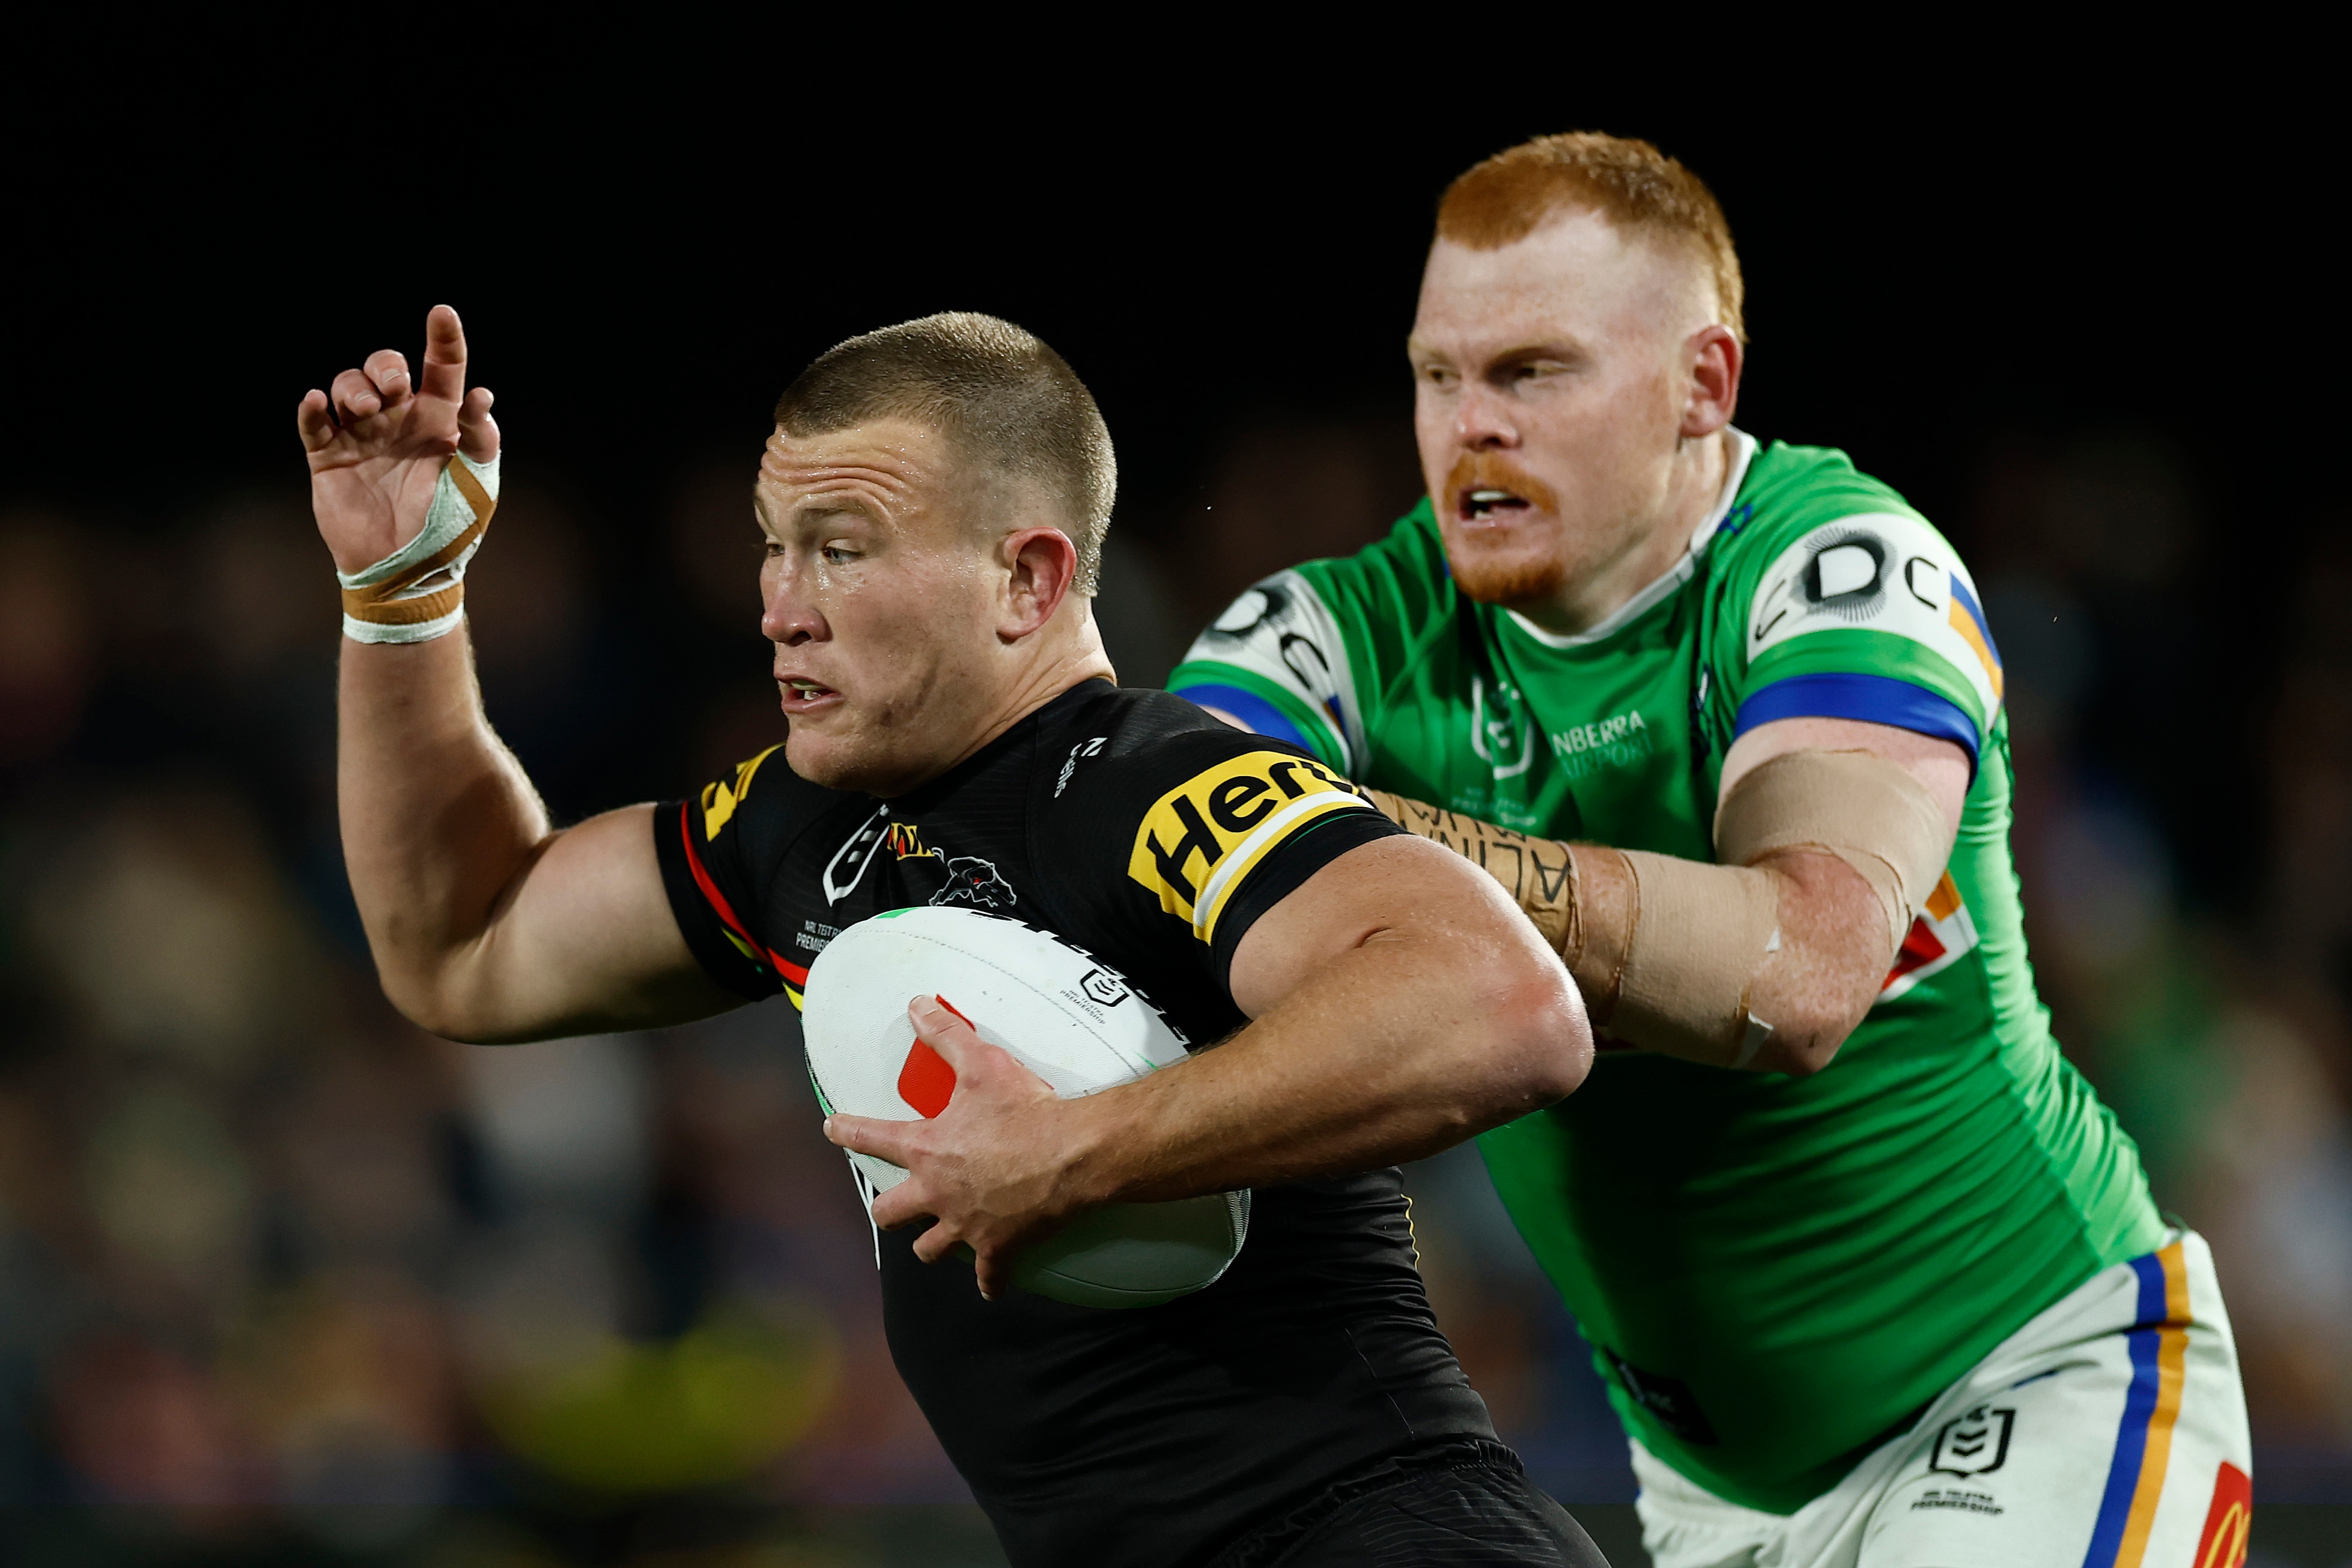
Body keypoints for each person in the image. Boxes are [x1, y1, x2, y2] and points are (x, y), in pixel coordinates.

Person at [297, 305, 1612, 1567]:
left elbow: (1505, 1007)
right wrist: (403, 594)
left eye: (841, 549)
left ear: (1026, 578)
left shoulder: (1155, 785)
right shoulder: (791, 826)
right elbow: (464, 946)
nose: (781, 605)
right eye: (773, 546)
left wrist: (1072, 1150)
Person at [1149, 134, 2253, 1567]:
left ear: (1702, 385)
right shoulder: (1333, 634)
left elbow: (1797, 974)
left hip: (2035, 1383)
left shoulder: (1840, 565)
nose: (1469, 426)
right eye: (1436, 375)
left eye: (1530, 372)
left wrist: (1353, 841)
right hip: (1703, 1497)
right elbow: (1146, 867)